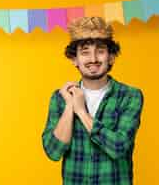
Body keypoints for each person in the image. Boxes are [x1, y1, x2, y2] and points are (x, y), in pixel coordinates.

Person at [41, 16, 144, 185]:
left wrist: (81, 112)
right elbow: (53, 151)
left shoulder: (130, 96)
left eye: (101, 51)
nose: (93, 59)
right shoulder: (60, 98)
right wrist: (69, 106)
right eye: (85, 52)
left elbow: (119, 147)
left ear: (111, 57)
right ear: (75, 59)